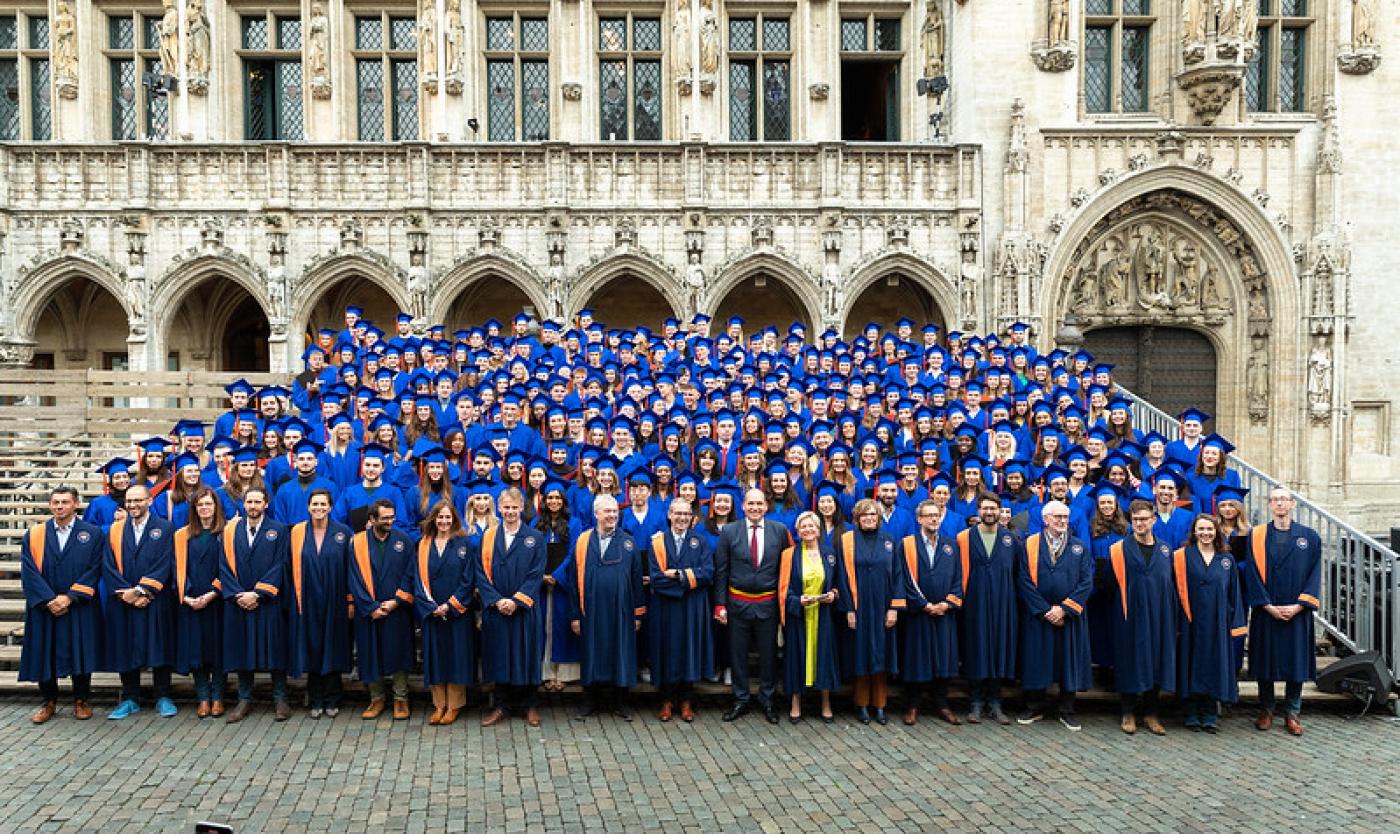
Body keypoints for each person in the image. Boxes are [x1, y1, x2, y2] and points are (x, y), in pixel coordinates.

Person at [20, 486, 105, 724]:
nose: (60, 507)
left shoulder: (93, 533)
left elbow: (95, 568)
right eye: (55, 502)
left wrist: (70, 597)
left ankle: (81, 700)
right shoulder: (35, 534)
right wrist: (49, 599)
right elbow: (29, 571)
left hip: (77, 604)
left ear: (75, 504)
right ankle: (48, 701)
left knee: (80, 649)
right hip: (44, 606)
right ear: (50, 505)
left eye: (65, 502)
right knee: (44, 651)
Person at [1241, 487, 1321, 737]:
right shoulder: (1256, 535)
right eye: (1274, 500)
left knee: (1295, 662)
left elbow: (1315, 574)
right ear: (1269, 505)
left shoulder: (1309, 537)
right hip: (1267, 609)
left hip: (1297, 610)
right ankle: (1266, 709)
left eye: (1283, 500)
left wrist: (1299, 605)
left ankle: (1293, 711)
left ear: (1292, 504)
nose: (1279, 504)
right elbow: (1251, 572)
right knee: (1266, 660)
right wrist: (1267, 606)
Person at [713, 488, 790, 724]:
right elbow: (721, 571)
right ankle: (741, 699)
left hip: (767, 604)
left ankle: (767, 700)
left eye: (759, 504)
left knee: (768, 656)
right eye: (751, 504)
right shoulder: (729, 531)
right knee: (738, 655)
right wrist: (720, 605)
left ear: (766, 506)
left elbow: (785, 570)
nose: (755, 508)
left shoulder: (779, 531)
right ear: (743, 506)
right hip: (738, 603)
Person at [1015, 500, 1093, 731]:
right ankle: (1034, 705)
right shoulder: (1029, 545)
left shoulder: (1079, 547)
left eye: (1065, 517)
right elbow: (1024, 581)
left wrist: (1065, 609)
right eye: (1057, 517)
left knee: (1068, 661)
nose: (1061, 521)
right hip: (1039, 615)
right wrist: (1044, 610)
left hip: (1069, 617)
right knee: (1037, 659)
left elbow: (1086, 582)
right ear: (1045, 519)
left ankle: (1067, 709)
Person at [566, 494, 646, 720]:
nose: (612, 515)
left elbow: (637, 580)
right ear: (596, 514)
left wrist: (638, 613)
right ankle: (589, 701)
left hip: (620, 611)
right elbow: (573, 579)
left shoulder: (629, 543)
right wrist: (574, 615)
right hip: (590, 611)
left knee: (620, 652)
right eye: (607, 511)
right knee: (592, 653)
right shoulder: (582, 541)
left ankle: (620, 702)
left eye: (614, 511)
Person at [102, 484, 178, 719]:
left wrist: (144, 591)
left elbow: (166, 562)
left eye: (138, 500)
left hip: (154, 599)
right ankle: (130, 697)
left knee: (159, 644)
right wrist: (126, 593)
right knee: (125, 645)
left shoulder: (165, 528)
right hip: (123, 600)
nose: (133, 505)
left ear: (149, 501)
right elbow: (108, 564)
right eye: (129, 501)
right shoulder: (115, 530)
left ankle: (163, 696)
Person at [220, 486, 292, 722]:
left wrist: (259, 594)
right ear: (243, 503)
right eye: (249, 502)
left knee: (275, 649)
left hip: (267, 601)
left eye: (257, 502)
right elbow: (224, 566)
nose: (252, 506)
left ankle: (280, 698)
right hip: (239, 601)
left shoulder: (279, 530)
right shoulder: (230, 531)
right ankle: (244, 699)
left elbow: (281, 564)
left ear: (266, 504)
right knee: (242, 649)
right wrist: (239, 595)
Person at [476, 488, 547, 727]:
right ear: (499, 508)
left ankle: (530, 705)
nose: (509, 512)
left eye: (513, 507)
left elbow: (536, 574)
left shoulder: (534, 538)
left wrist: (516, 601)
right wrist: (496, 600)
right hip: (496, 609)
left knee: (526, 655)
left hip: (524, 610)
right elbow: (480, 572)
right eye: (505, 507)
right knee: (499, 656)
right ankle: (501, 706)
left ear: (521, 509)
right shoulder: (488, 537)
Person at [1107, 500, 1177, 735]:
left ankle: (1151, 713)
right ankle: (1128, 713)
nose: (1140, 523)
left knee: (1156, 661)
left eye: (1145, 519)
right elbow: (1109, 585)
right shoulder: (1118, 549)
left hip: (1159, 615)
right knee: (1130, 661)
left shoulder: (1166, 550)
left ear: (1153, 520)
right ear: (1130, 521)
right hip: (1130, 615)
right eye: (1136, 519)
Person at [1174, 514, 1247, 733]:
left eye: (1210, 529)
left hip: (1218, 622)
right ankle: (1191, 711)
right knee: (1191, 662)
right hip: (1191, 620)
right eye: (1201, 529)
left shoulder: (1227, 560)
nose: (1206, 533)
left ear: (1217, 532)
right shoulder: (1182, 556)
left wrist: (1236, 623)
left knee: (1214, 664)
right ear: (1194, 531)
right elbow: (1174, 591)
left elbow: (1234, 594)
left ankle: (1210, 712)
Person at [287, 488, 355, 718]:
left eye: (323, 504)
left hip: (335, 600)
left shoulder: (343, 533)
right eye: (314, 504)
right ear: (308, 507)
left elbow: (352, 570)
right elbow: (289, 567)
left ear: (330, 507)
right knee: (313, 647)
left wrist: (350, 600)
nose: (318, 508)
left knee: (332, 647)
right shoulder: (297, 533)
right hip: (306, 599)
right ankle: (315, 698)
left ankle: (333, 697)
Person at [835, 498, 902, 725]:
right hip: (859, 607)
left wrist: (894, 607)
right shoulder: (847, 541)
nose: (870, 518)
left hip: (883, 607)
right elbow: (842, 577)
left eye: (873, 515)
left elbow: (898, 575)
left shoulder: (890, 541)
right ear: (857, 519)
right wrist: (848, 609)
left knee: (881, 654)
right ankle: (862, 704)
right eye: (865, 515)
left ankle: (881, 706)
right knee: (861, 655)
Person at [349, 498, 418, 721]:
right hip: (368, 611)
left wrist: (396, 601)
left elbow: (411, 574)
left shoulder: (404, 541)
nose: (390, 521)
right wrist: (369, 607)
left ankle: (400, 699)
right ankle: (376, 699)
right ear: (372, 519)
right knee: (371, 654)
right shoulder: (357, 542)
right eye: (385, 518)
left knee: (398, 654)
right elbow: (354, 578)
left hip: (397, 610)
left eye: (392, 517)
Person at [954, 492, 1021, 724]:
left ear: (1000, 511)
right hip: (974, 602)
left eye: (994, 509)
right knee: (976, 648)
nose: (989, 512)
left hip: (1004, 602)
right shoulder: (964, 538)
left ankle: (995, 702)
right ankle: (975, 702)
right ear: (978, 510)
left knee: (998, 649)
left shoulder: (1011, 539)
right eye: (985, 508)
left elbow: (1018, 573)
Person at [647, 498, 714, 722]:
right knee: (666, 650)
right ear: (669, 515)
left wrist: (678, 575)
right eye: (678, 514)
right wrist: (687, 582)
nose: (682, 518)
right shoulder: (657, 542)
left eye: (686, 514)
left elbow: (707, 574)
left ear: (692, 517)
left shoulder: (700, 541)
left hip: (692, 608)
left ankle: (686, 701)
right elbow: (656, 579)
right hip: (665, 607)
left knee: (689, 650)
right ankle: (665, 700)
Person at [899, 500, 962, 726]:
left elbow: (958, 579)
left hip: (945, 612)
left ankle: (942, 703)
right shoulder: (907, 545)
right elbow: (904, 579)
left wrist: (947, 604)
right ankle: (913, 704)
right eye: (929, 516)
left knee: (943, 657)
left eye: (936, 515)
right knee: (918, 658)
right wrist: (923, 604)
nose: (934, 519)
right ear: (919, 519)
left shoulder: (951, 545)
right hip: (919, 612)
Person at [414, 500, 476, 727]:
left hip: (456, 613)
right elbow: (417, 580)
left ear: (454, 520)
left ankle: (454, 706)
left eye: (448, 517)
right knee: (436, 658)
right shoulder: (422, 545)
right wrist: (431, 607)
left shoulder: (464, 545)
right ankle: (439, 704)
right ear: (434, 519)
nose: (443, 521)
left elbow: (468, 579)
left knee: (456, 658)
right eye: (440, 517)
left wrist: (451, 605)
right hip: (432, 612)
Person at [173, 488, 227, 718]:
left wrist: (213, 592)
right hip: (191, 602)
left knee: (217, 651)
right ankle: (203, 697)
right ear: (194, 509)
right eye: (200, 505)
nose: (205, 508)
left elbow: (230, 568)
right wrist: (186, 596)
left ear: (216, 507)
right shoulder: (181, 535)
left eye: (209, 504)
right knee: (197, 652)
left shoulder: (227, 533)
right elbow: (174, 568)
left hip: (217, 602)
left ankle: (218, 697)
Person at [781, 511, 839, 723]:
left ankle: (825, 703)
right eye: (803, 527)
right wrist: (797, 601)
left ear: (818, 529)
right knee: (797, 657)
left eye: (811, 526)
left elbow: (837, 584)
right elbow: (782, 588)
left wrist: (832, 594)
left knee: (823, 655)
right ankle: (795, 703)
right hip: (800, 615)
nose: (807, 530)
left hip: (822, 614)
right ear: (797, 531)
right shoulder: (789, 555)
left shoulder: (829, 553)